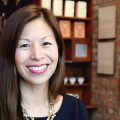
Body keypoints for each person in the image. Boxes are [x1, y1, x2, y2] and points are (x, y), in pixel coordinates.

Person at [0, 4, 89, 120]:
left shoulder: (76, 109)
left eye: (46, 43)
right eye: (25, 45)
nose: (37, 55)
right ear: (10, 53)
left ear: (59, 49)